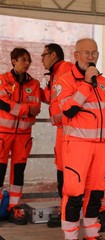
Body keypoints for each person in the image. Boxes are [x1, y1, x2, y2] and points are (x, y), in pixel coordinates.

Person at [57, 38, 105, 240]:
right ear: (76, 56)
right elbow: (67, 110)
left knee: (96, 193)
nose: (91, 57)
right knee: (74, 193)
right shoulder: (65, 81)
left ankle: (92, 235)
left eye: (94, 53)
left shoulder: (103, 82)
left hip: (102, 147)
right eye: (86, 53)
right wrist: (86, 83)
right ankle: (70, 237)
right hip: (77, 146)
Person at [0, 47, 41, 225]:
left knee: (18, 173)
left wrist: (16, 108)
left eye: (28, 60)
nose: (27, 63)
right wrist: (25, 109)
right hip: (3, 134)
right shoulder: (2, 80)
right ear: (14, 61)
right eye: (23, 60)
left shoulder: (35, 84)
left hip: (23, 136)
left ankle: (13, 208)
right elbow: (3, 103)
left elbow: (37, 108)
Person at [40, 43, 73, 228]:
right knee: (62, 170)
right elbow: (50, 98)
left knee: (70, 172)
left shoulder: (67, 68)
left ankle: (72, 211)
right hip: (61, 130)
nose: (42, 59)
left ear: (53, 55)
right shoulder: (54, 75)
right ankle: (65, 210)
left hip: (70, 130)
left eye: (44, 55)